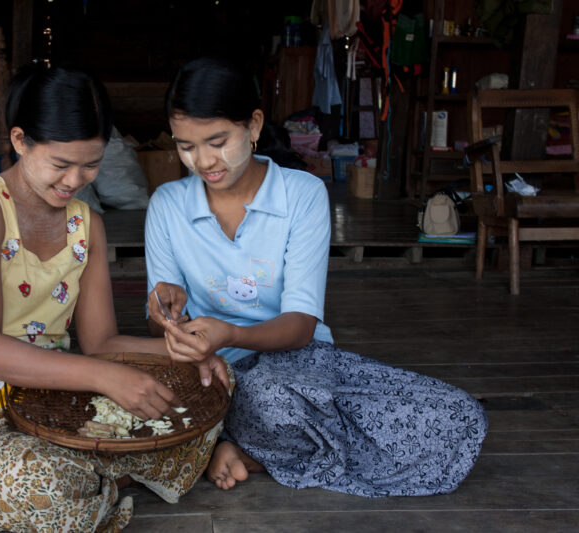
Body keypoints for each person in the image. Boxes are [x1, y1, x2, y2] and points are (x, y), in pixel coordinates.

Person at [0, 63, 228, 533]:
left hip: (52, 410)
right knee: (49, 485)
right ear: (19, 140)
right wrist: (107, 377)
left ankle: (99, 482)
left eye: (90, 164)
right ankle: (103, 479)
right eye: (60, 163)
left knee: (216, 379)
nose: (75, 179)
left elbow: (101, 342)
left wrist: (183, 351)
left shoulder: (86, 224)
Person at [145, 56, 488, 497]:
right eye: (186, 146)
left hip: (299, 363)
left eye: (216, 141)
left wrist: (228, 331)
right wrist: (163, 310)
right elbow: (161, 319)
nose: (203, 161)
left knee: (459, 417)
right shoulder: (168, 205)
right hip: (207, 373)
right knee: (263, 398)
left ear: (253, 126)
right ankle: (256, 443)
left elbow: (301, 326)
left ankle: (235, 447)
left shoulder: (301, 194)